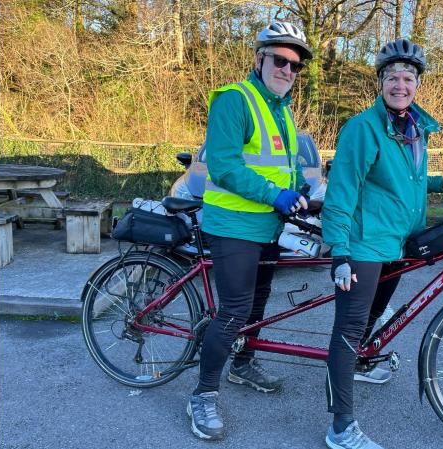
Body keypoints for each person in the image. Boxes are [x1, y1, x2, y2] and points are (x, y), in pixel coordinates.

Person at [320, 38, 443, 449]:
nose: (400, 85)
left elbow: (407, 183)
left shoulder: (415, 128)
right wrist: (339, 251)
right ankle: (340, 428)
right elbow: (342, 191)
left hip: (397, 244)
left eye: (408, 78)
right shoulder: (362, 128)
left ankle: (356, 365)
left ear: (417, 85)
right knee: (349, 329)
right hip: (363, 244)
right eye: (392, 78)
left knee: (368, 321)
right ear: (380, 83)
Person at [186, 21, 313, 441]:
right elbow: (223, 166)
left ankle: (242, 365)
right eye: (280, 60)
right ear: (259, 58)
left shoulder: (282, 109)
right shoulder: (234, 99)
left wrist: (297, 191)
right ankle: (202, 396)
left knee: (258, 304)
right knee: (235, 309)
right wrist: (274, 194)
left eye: (295, 66)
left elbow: (278, 166)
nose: (288, 70)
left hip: (267, 226)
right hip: (233, 224)